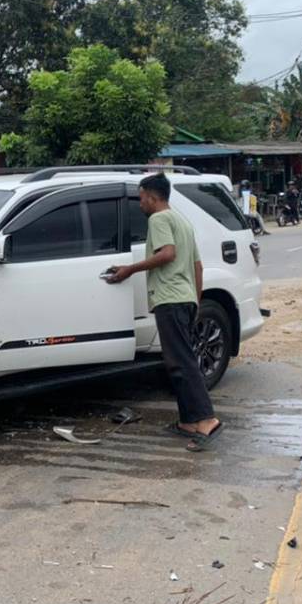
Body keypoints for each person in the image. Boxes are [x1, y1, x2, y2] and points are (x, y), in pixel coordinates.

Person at [106, 172, 222, 452]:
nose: (140, 202)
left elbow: (167, 254)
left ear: (151, 195)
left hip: (170, 299)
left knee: (181, 361)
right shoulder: (182, 220)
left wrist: (128, 270)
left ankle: (207, 420)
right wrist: (195, 301)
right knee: (178, 361)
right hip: (184, 298)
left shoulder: (158, 219)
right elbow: (198, 265)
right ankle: (188, 421)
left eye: (141, 197)